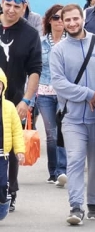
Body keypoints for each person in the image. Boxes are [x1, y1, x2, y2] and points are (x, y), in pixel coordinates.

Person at [50, 3, 95, 225]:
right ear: (62, 22)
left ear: (82, 18)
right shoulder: (58, 50)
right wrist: (87, 93)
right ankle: (76, 206)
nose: (71, 23)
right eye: (66, 20)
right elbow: (59, 83)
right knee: (75, 160)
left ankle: (94, 204)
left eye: (74, 19)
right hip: (72, 118)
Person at [0, 0, 42, 212]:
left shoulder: (30, 34)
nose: (12, 10)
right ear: (1, 3)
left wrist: (27, 100)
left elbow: (35, 69)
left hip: (14, 99)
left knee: (9, 147)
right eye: (8, 5)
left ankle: (9, 190)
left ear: (24, 7)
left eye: (17, 6)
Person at [38, 4, 68, 187]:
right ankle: (53, 171)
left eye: (62, 18)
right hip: (44, 93)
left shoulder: (71, 43)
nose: (59, 21)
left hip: (64, 94)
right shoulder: (40, 43)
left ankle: (61, 171)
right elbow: (33, 70)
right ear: (49, 20)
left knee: (62, 131)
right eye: (55, 17)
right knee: (51, 134)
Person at [0, 68, 25, 220]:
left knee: (2, 184)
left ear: (3, 87)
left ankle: (3, 205)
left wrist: (19, 150)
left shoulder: (9, 107)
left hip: (2, 154)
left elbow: (16, 131)